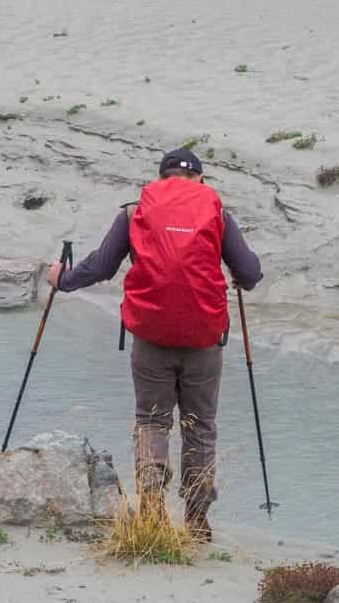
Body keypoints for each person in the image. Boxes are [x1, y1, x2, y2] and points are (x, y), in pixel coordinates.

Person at [44, 149, 262, 540]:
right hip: (204, 339)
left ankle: (152, 511)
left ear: (162, 177)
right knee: (201, 427)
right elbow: (249, 272)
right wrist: (242, 279)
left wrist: (63, 280)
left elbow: (101, 266)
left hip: (150, 336)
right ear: (200, 178)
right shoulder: (218, 212)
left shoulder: (135, 212)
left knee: (151, 421)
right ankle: (197, 519)